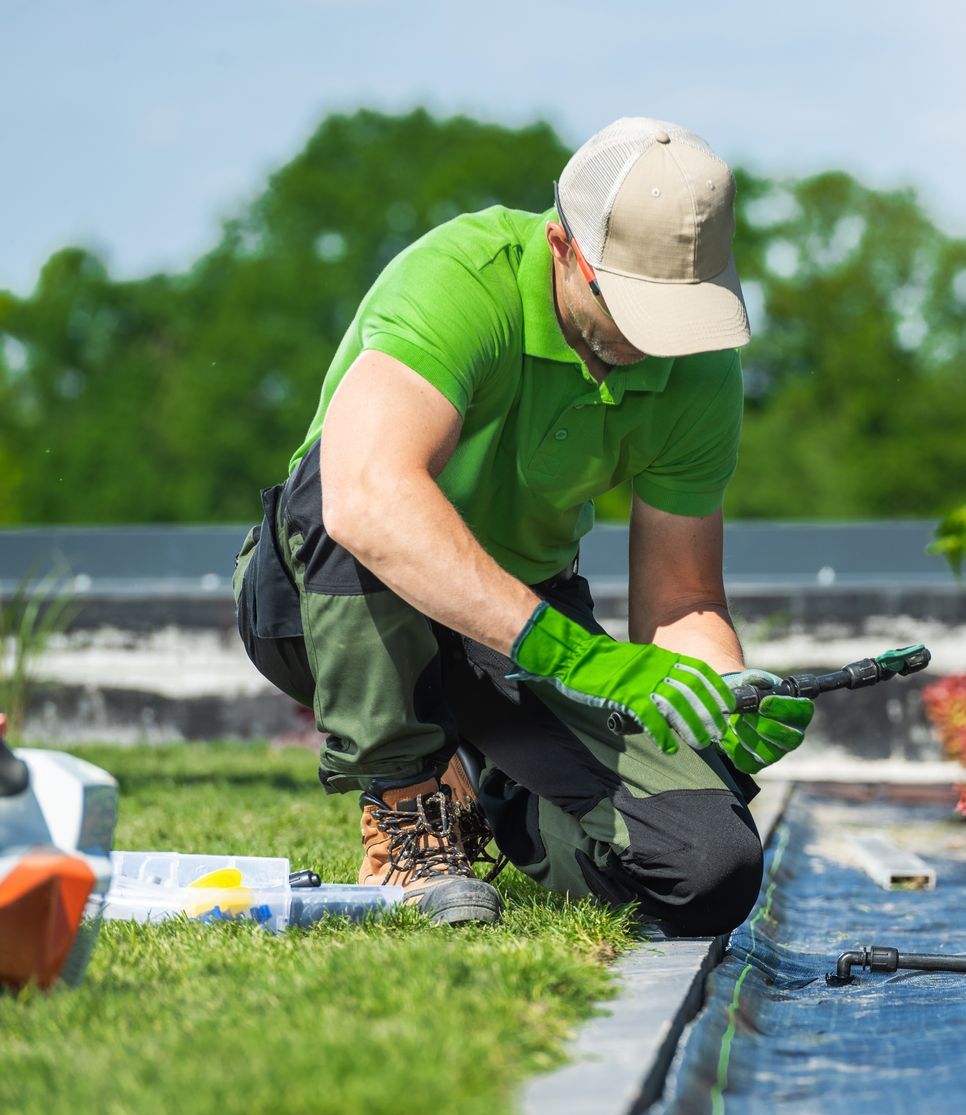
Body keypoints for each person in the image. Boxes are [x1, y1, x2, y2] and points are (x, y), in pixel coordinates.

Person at [230, 118, 811, 930]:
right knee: (351, 472)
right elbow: (363, 497)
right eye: (632, 307)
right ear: (564, 248)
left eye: (674, 315)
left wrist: (717, 699)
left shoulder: (702, 370)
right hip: (327, 606)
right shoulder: (462, 280)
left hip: (515, 619)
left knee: (711, 872)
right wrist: (568, 654)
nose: (652, 344)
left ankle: (505, 798)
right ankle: (411, 814)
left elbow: (681, 594)